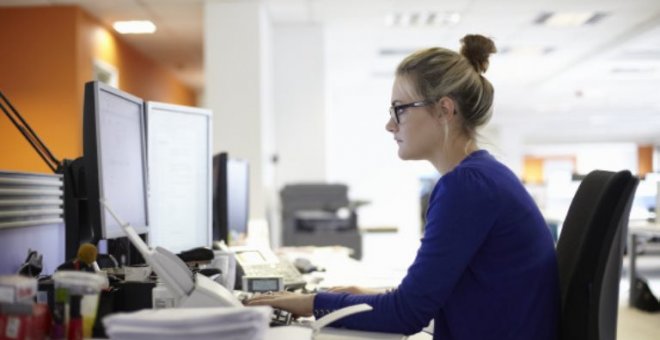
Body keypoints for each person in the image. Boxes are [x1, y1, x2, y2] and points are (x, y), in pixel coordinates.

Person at [248, 34, 560, 339]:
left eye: (400, 109)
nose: (390, 124)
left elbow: (406, 314)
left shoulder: (467, 187)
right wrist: (373, 297)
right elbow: (430, 297)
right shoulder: (483, 176)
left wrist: (311, 303)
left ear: (444, 109)